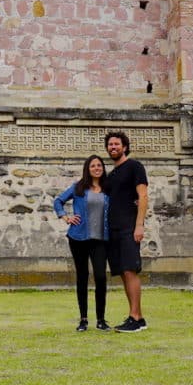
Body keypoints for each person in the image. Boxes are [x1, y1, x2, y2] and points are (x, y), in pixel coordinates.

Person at [53, 155, 111, 332]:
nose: (96, 168)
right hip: (78, 238)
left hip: (100, 239)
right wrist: (66, 217)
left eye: (99, 165)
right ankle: (83, 320)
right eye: (93, 165)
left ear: (102, 168)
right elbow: (58, 201)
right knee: (82, 276)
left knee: (100, 277)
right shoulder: (78, 187)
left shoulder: (109, 189)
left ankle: (101, 320)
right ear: (88, 168)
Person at [103, 131, 149, 332]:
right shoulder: (111, 175)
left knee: (130, 270)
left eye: (116, 144)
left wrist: (139, 225)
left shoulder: (135, 167)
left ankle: (136, 317)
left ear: (125, 147)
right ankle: (135, 316)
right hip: (113, 230)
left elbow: (143, 195)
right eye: (110, 145)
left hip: (129, 228)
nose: (113, 147)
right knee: (123, 273)